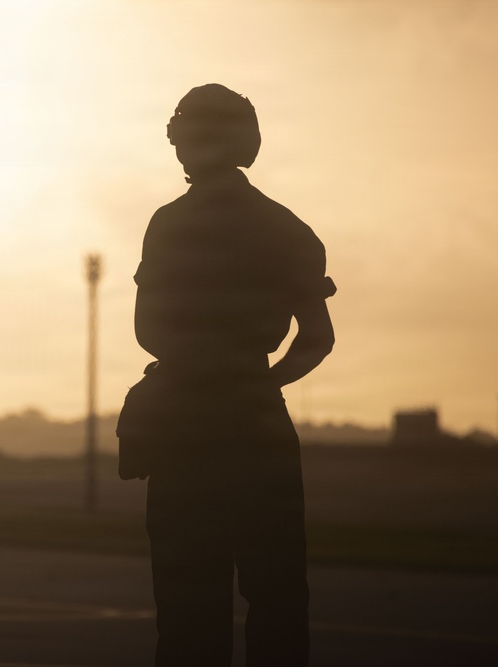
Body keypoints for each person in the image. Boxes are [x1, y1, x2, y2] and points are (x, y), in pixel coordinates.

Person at [119, 84, 336, 666]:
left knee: (188, 606)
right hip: (258, 427)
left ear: (185, 142)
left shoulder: (167, 225)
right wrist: (261, 385)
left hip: (182, 427)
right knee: (278, 598)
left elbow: (147, 332)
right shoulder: (288, 229)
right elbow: (318, 340)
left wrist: (192, 365)